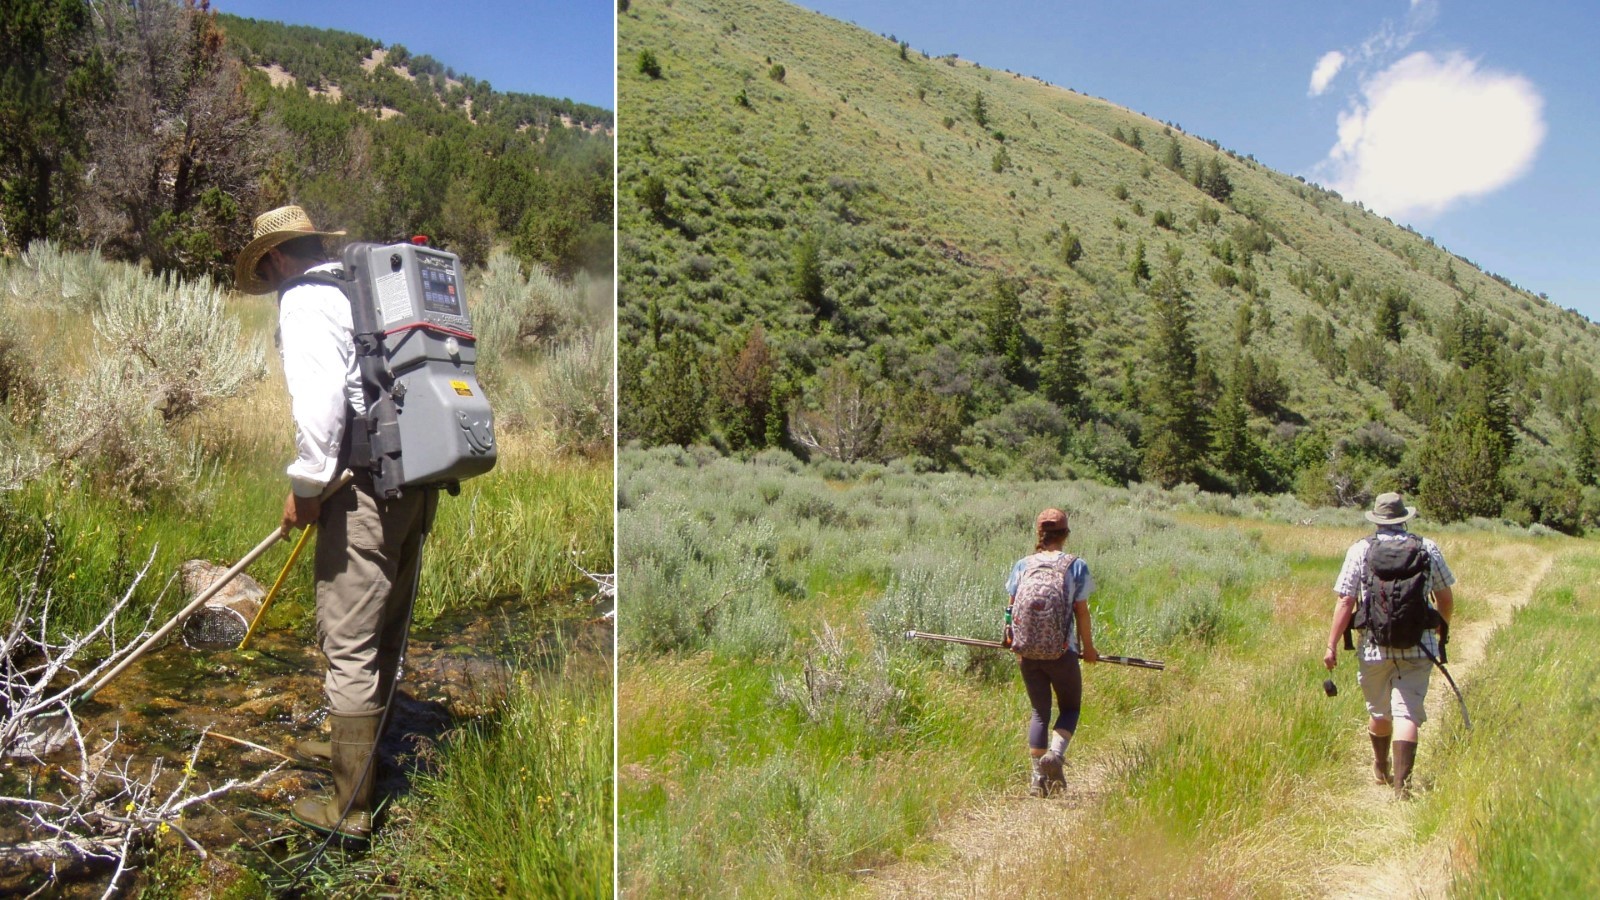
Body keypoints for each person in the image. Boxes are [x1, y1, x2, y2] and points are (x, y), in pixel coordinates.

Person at [235, 205, 437, 840]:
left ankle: (350, 808)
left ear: (274, 258)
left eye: (265, 272)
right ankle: (358, 753)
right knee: (385, 627)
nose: (269, 285)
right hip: (417, 481)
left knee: (348, 642)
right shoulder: (367, 287)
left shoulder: (303, 301)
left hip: (362, 491)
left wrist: (306, 489)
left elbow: (322, 411)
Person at [1324, 492, 1455, 799]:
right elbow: (1445, 598)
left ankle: (1381, 767)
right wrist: (1441, 628)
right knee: (1407, 713)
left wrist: (1331, 645)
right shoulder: (1427, 548)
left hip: (1373, 646)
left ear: (1377, 519)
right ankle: (1402, 787)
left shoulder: (1360, 550)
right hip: (1417, 645)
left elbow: (1345, 600)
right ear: (1404, 518)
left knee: (1380, 712)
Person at [1005, 508, 1098, 797]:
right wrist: (1089, 648)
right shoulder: (1076, 566)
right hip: (1062, 651)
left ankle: (1037, 779)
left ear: (1039, 534)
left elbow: (1010, 609)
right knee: (1070, 708)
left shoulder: (1023, 564)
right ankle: (1055, 757)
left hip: (1027, 652)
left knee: (1039, 712)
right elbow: (1081, 612)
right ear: (1065, 534)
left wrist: (1010, 638)